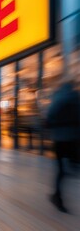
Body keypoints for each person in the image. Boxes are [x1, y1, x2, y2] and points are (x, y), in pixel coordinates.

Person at [46, 80, 80, 213]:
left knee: (61, 170)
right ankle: (57, 196)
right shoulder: (75, 99)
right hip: (72, 140)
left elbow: (49, 120)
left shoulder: (57, 99)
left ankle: (57, 196)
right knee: (72, 168)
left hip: (59, 140)